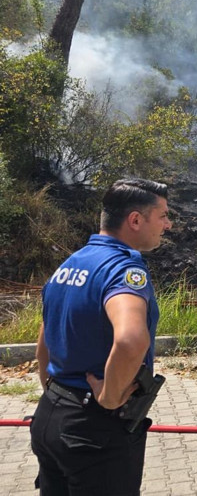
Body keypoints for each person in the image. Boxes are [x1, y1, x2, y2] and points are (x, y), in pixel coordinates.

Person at [30, 178, 172, 496]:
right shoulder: (122, 270)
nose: (168, 224)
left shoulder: (70, 264)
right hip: (93, 431)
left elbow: (45, 340)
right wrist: (109, 396)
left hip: (50, 417)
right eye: (162, 215)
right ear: (135, 220)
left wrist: (52, 390)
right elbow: (131, 340)